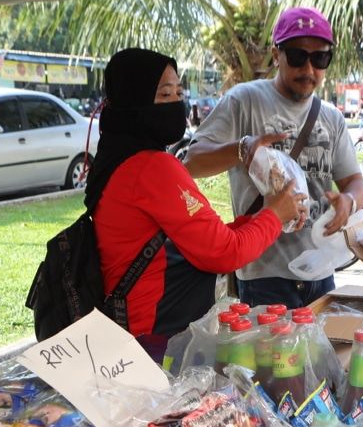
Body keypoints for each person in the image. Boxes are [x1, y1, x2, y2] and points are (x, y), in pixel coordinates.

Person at [87, 48, 305, 361]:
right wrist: (274, 215)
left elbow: (200, 240)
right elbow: (224, 252)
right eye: (164, 94)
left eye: (179, 91)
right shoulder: (151, 168)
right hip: (155, 341)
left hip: (134, 332)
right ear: (133, 98)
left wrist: (264, 214)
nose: (176, 102)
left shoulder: (116, 160)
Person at [185, 6, 363, 309]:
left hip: (320, 270)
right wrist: (242, 149)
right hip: (262, 275)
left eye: (320, 58)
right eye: (297, 56)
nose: (309, 70)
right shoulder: (243, 101)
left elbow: (355, 182)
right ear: (275, 54)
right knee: (269, 358)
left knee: (321, 357)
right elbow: (192, 163)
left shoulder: (331, 118)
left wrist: (349, 201)